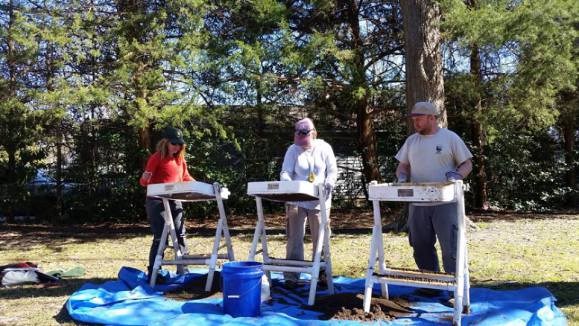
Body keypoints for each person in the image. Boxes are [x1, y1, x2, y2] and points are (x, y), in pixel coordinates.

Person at [395, 101, 472, 274]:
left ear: (431, 118)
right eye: (413, 119)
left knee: (451, 246)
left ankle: (456, 287)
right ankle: (430, 285)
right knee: (420, 246)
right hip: (417, 203)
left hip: (446, 202)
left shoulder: (450, 138)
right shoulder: (411, 141)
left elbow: (467, 164)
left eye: (419, 118)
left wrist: (458, 175)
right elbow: (403, 165)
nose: (415, 122)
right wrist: (401, 176)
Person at [279, 118, 337, 287]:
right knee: (294, 237)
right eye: (299, 137)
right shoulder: (292, 150)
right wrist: (287, 182)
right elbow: (286, 171)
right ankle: (291, 275)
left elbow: (332, 170)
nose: (302, 143)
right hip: (297, 199)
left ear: (314, 134)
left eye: (305, 138)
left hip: (320, 199)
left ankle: (322, 273)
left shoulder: (324, 147)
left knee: (321, 237)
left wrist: (330, 182)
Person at [139, 126, 195, 280]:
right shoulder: (156, 157)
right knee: (160, 237)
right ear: (165, 142)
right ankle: (154, 271)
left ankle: (183, 268)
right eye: (174, 144)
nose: (177, 147)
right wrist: (146, 178)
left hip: (175, 199)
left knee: (180, 233)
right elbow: (144, 181)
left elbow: (186, 177)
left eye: (179, 144)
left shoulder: (180, 159)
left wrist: (202, 186)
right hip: (156, 201)